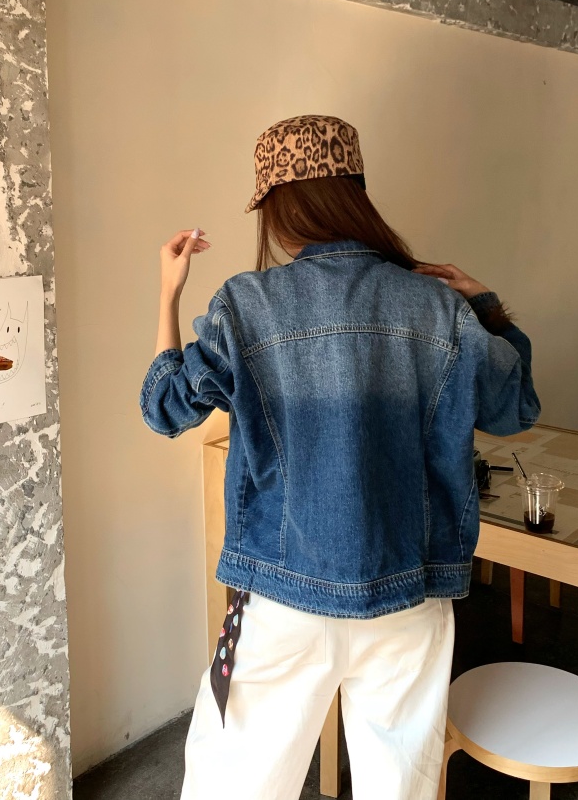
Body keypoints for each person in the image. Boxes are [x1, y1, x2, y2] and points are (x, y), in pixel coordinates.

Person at [140, 115, 540, 800]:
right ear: (355, 193)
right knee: (399, 787)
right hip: (410, 593)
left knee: (233, 784)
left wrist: (167, 290)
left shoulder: (246, 305)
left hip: (281, 597)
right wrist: (484, 304)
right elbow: (516, 407)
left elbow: (165, 407)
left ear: (277, 208)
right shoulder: (437, 306)